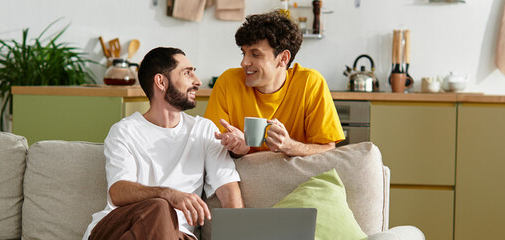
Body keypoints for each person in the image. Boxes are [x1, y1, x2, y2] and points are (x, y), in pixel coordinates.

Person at [82, 47, 244, 240]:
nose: (197, 81)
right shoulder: (125, 131)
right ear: (161, 82)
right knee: (159, 207)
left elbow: (229, 193)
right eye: (187, 73)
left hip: (177, 235)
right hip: (118, 229)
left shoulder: (204, 131)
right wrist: (168, 194)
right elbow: (118, 191)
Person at [204, 10, 344, 157]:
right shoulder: (228, 82)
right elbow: (210, 148)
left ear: (283, 58)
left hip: (295, 174)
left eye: (255, 54)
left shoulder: (310, 83)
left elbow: (328, 149)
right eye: (243, 53)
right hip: (243, 174)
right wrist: (238, 150)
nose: (244, 62)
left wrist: (290, 146)